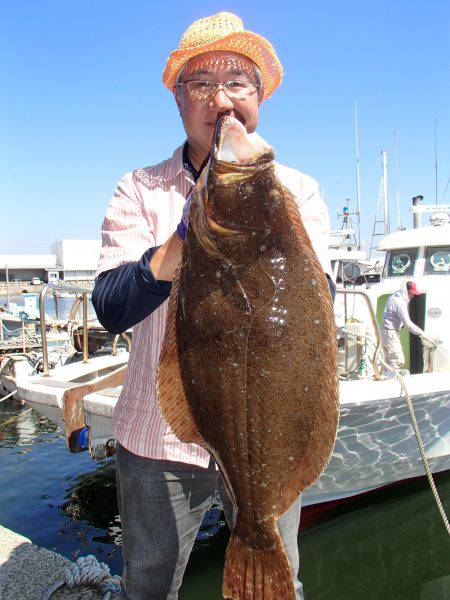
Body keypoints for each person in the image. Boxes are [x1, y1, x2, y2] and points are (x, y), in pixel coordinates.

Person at [92, 12, 335, 600]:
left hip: (269, 432)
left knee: (281, 577)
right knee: (148, 583)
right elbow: (109, 306)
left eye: (238, 83)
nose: (222, 98)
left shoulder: (296, 190)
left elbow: (316, 303)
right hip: (156, 438)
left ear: (259, 100)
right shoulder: (139, 188)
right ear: (179, 101)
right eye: (202, 84)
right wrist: (182, 242)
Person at [381, 280, 441, 372]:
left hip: (385, 332)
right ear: (405, 291)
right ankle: (392, 381)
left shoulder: (393, 297)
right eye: (411, 293)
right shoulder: (400, 302)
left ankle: (385, 378)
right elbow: (408, 324)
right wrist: (422, 334)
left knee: (388, 360)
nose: (412, 296)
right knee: (397, 360)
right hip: (391, 332)